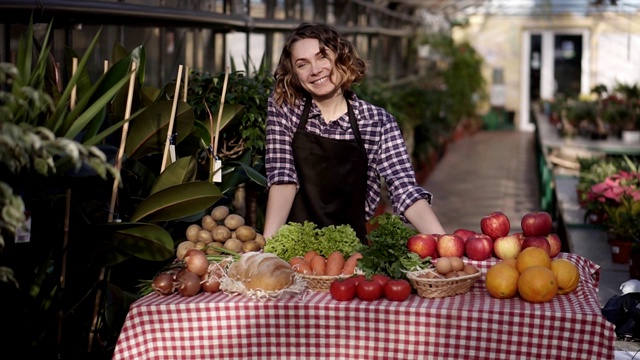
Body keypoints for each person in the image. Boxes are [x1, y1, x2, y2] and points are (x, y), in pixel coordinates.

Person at [262, 23, 446, 242]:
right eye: (302, 64)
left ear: (342, 58)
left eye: (322, 57)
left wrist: (443, 242)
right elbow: (283, 178)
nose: (315, 70)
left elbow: (404, 189)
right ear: (294, 74)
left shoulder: (377, 122)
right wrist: (268, 247)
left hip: (351, 254)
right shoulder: (285, 109)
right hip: (294, 247)